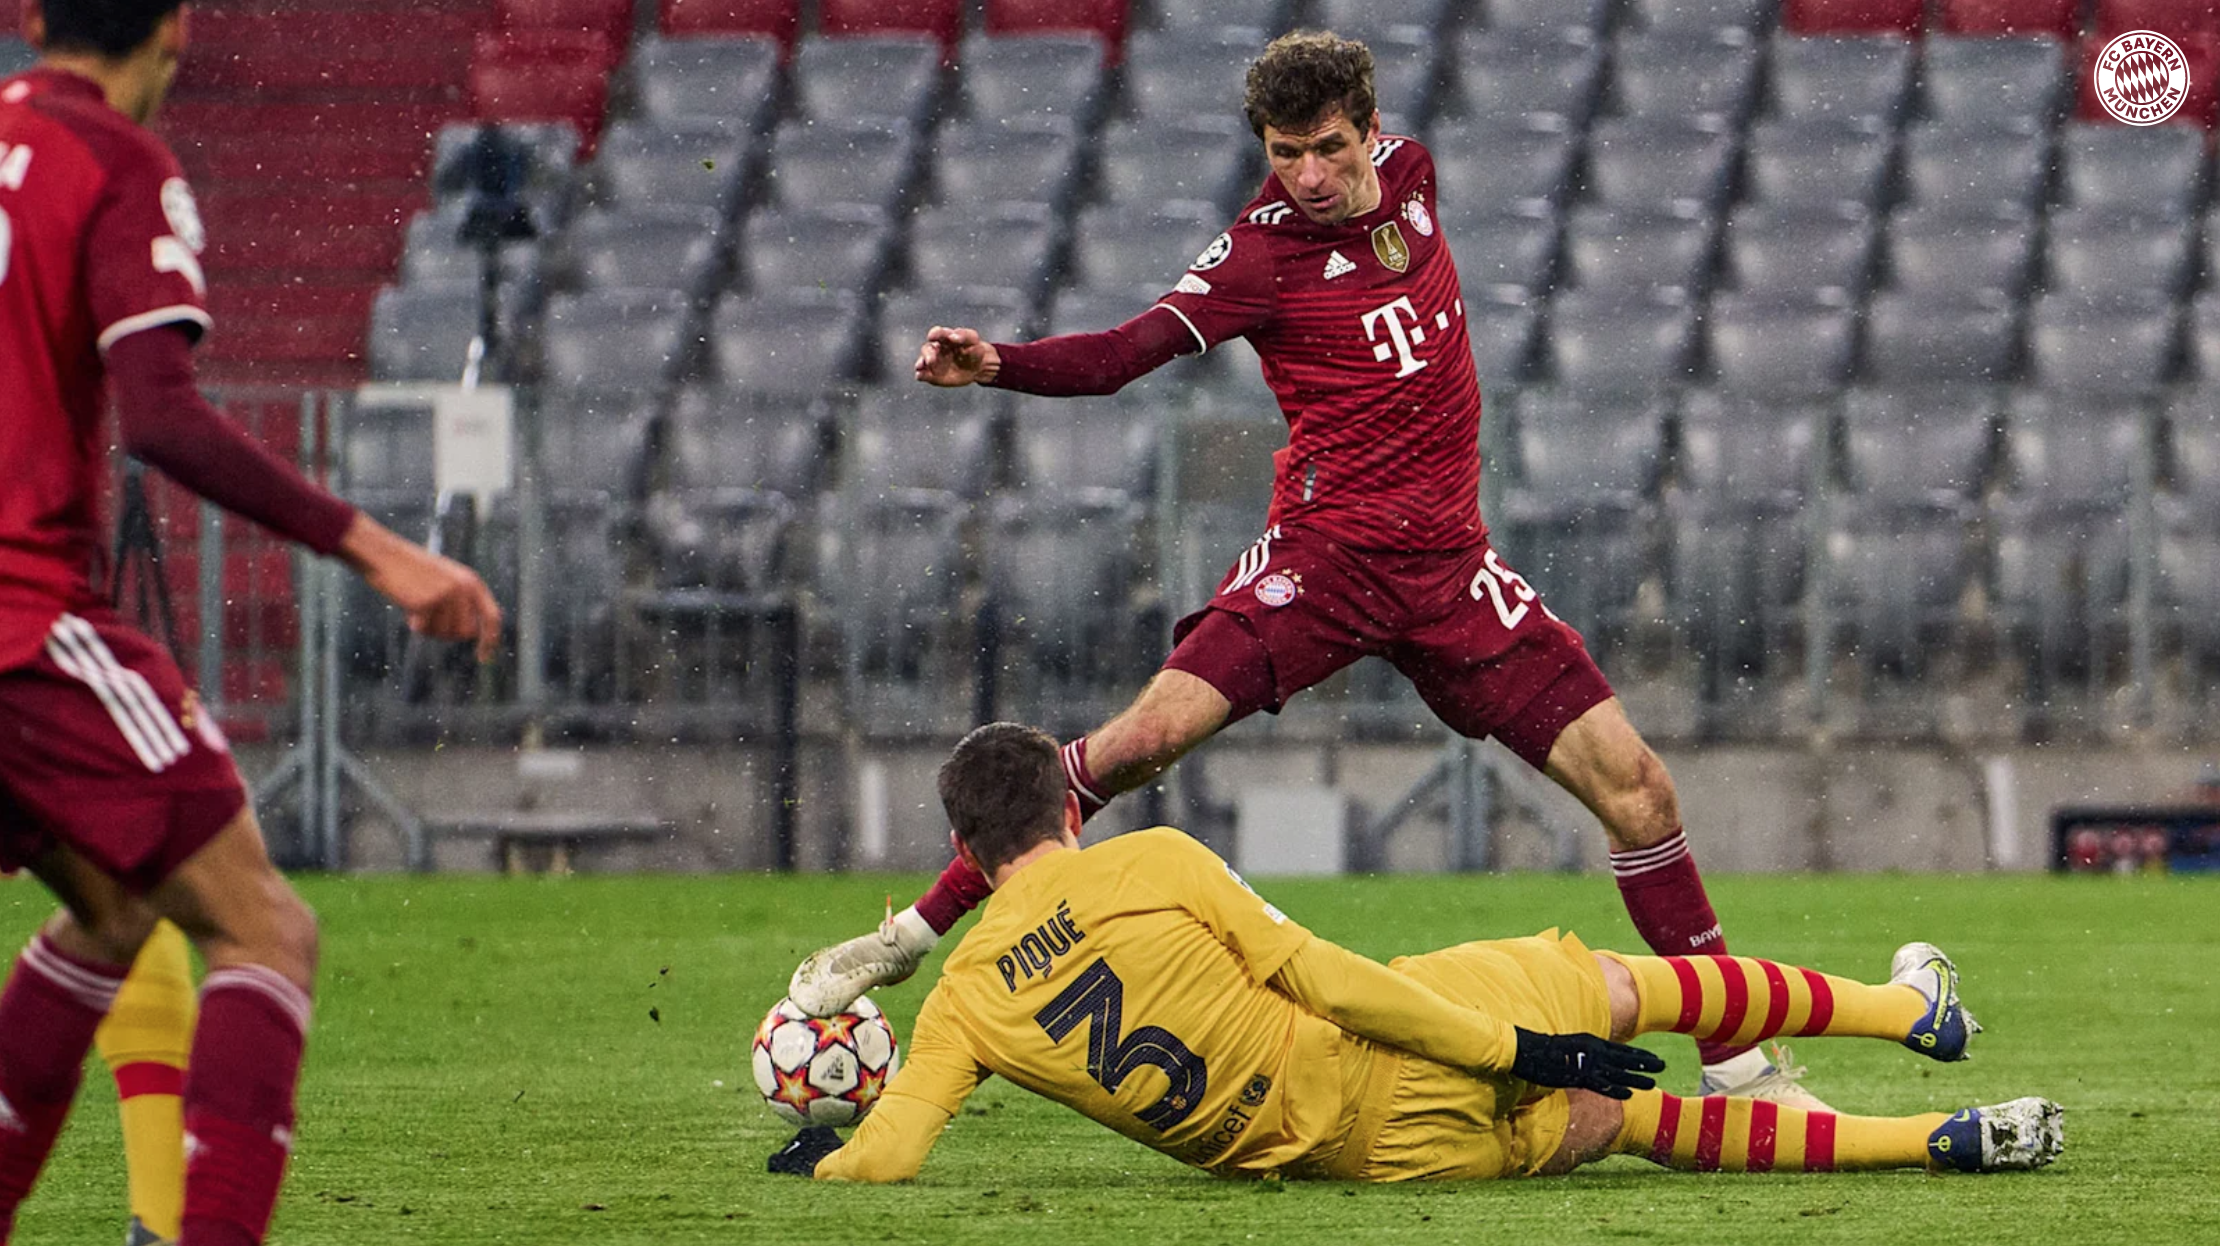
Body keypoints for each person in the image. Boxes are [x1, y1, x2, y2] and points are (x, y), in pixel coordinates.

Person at [792, 30, 1810, 1103]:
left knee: (1640, 790)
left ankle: (1741, 1069)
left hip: (1453, 573)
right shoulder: (1256, 257)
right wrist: (1000, 364)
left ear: (1375, 130)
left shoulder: (1416, 175)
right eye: (1285, 154)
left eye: (1329, 148)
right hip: (1325, 562)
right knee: (1143, 741)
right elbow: (1126, 353)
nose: (1310, 177)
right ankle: (909, 933)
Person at [0, 3, 504, 1243]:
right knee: (263, 929)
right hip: (18, 618)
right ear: (173, 25)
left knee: (118, 910)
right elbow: (163, 418)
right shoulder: (117, 161)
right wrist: (378, 548)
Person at [769, 724, 2064, 1185]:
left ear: (961, 844)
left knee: (1635, 1127)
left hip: (1373, 1159)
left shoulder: (966, 1005)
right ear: (1065, 808)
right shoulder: (1146, 862)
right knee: (1631, 983)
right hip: (1398, 1037)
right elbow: (1334, 980)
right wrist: (1519, 1043)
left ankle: (1939, 1138)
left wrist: (825, 1148)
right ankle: (1911, 1011)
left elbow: (886, 1156)